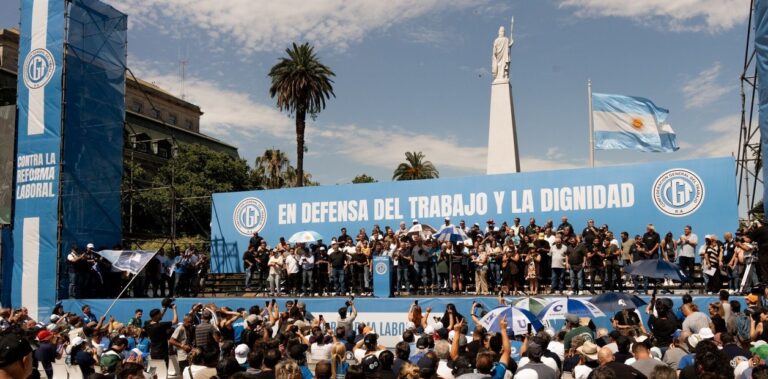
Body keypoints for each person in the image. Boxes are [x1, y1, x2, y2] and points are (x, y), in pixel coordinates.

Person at [146, 303, 179, 368]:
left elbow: (155, 319)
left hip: (153, 352)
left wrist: (164, 307)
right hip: (162, 353)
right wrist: (174, 309)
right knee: (163, 370)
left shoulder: (147, 324)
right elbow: (175, 321)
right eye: (159, 314)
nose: (161, 315)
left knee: (155, 369)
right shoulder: (161, 325)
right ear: (156, 316)